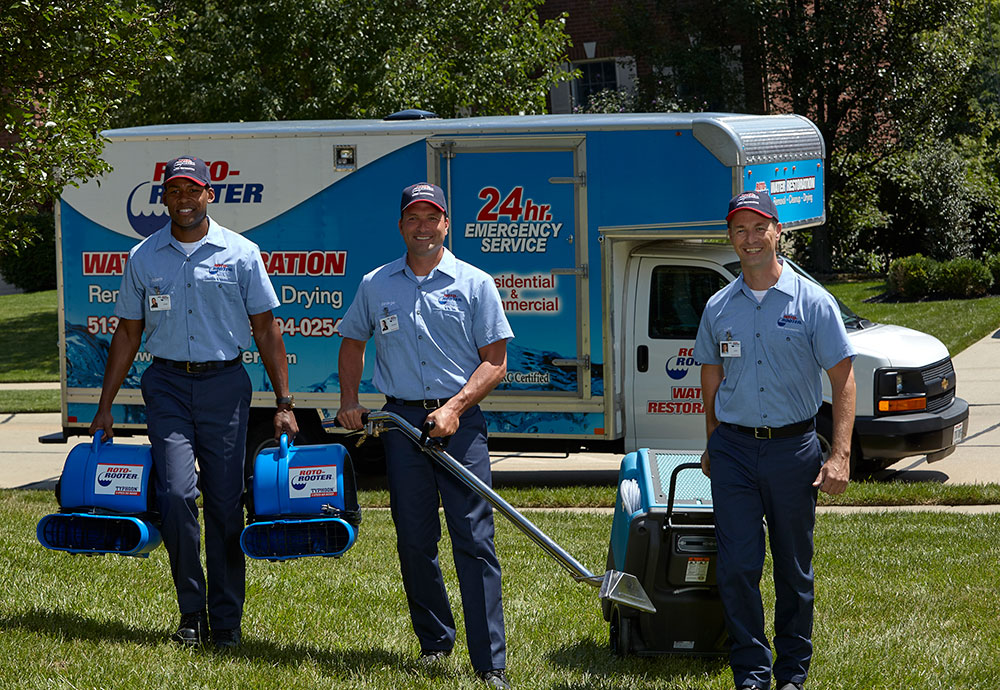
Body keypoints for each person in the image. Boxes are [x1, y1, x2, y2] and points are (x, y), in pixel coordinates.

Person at [89, 156, 298, 650]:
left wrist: (284, 402)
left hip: (225, 386)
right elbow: (127, 332)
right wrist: (104, 405)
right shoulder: (144, 256)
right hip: (165, 386)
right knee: (178, 496)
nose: (184, 198)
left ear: (209, 195)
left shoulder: (242, 253)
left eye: (193, 189)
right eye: (175, 190)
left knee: (225, 505)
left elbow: (267, 329)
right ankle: (191, 614)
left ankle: (226, 620)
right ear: (164, 198)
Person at [336, 182, 513, 690]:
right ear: (401, 226)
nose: (421, 225)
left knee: (475, 541)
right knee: (415, 541)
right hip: (401, 424)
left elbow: (495, 361)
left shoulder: (475, 283)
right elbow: (352, 342)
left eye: (430, 217)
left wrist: (455, 408)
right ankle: (435, 643)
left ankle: (490, 664)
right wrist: (351, 400)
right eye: (412, 217)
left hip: (462, 425)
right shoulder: (376, 283)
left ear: (445, 225)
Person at [694, 190, 856, 690]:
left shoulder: (813, 303)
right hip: (735, 453)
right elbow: (711, 377)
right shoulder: (719, 307)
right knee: (739, 566)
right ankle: (751, 670)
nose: (750, 239)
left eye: (759, 228)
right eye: (739, 230)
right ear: (730, 237)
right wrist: (714, 442)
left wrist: (840, 454)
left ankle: (791, 672)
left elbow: (843, 378)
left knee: (793, 570)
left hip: (793, 450)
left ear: (778, 232)